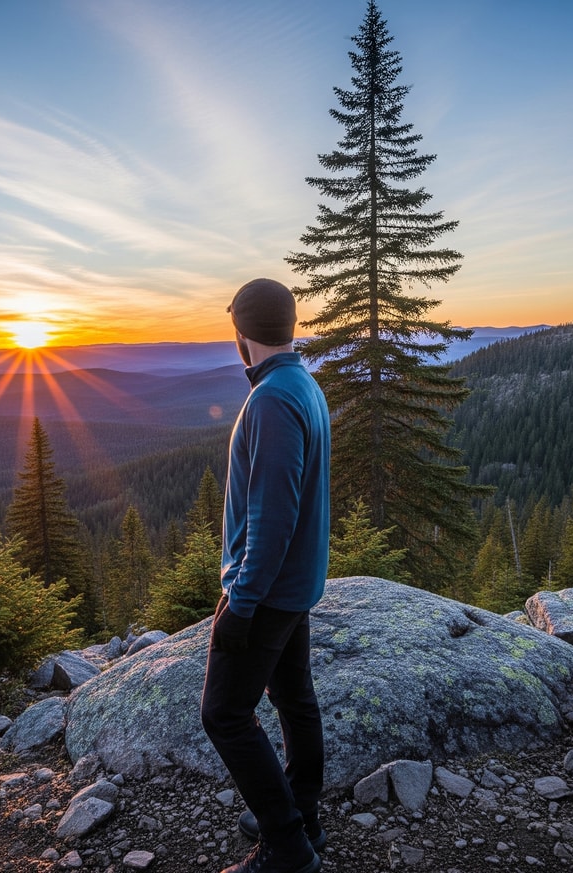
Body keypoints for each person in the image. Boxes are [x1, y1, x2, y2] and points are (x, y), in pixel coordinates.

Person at [201, 278, 331, 873]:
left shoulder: (273, 399)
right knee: (293, 697)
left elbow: (273, 516)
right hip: (294, 583)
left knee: (224, 714)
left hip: (269, 589)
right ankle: (302, 810)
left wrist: (243, 602)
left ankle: (287, 848)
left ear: (241, 335)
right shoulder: (301, 383)